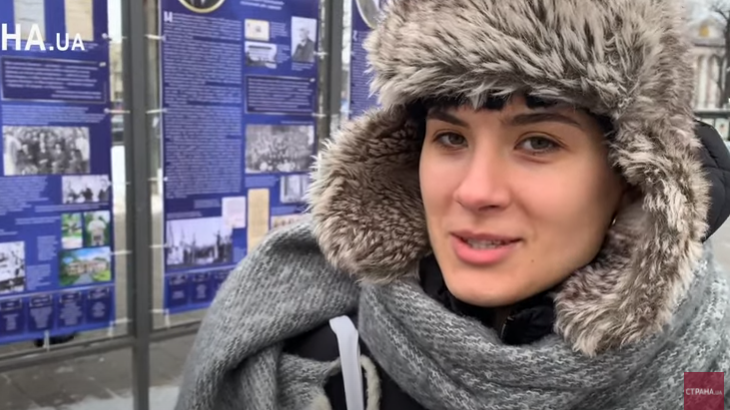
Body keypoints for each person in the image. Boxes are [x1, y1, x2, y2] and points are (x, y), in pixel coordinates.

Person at [175, 0, 730, 409]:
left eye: (538, 142)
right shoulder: (313, 352)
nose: (474, 191)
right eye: (450, 138)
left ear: (634, 179)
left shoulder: (710, 369)